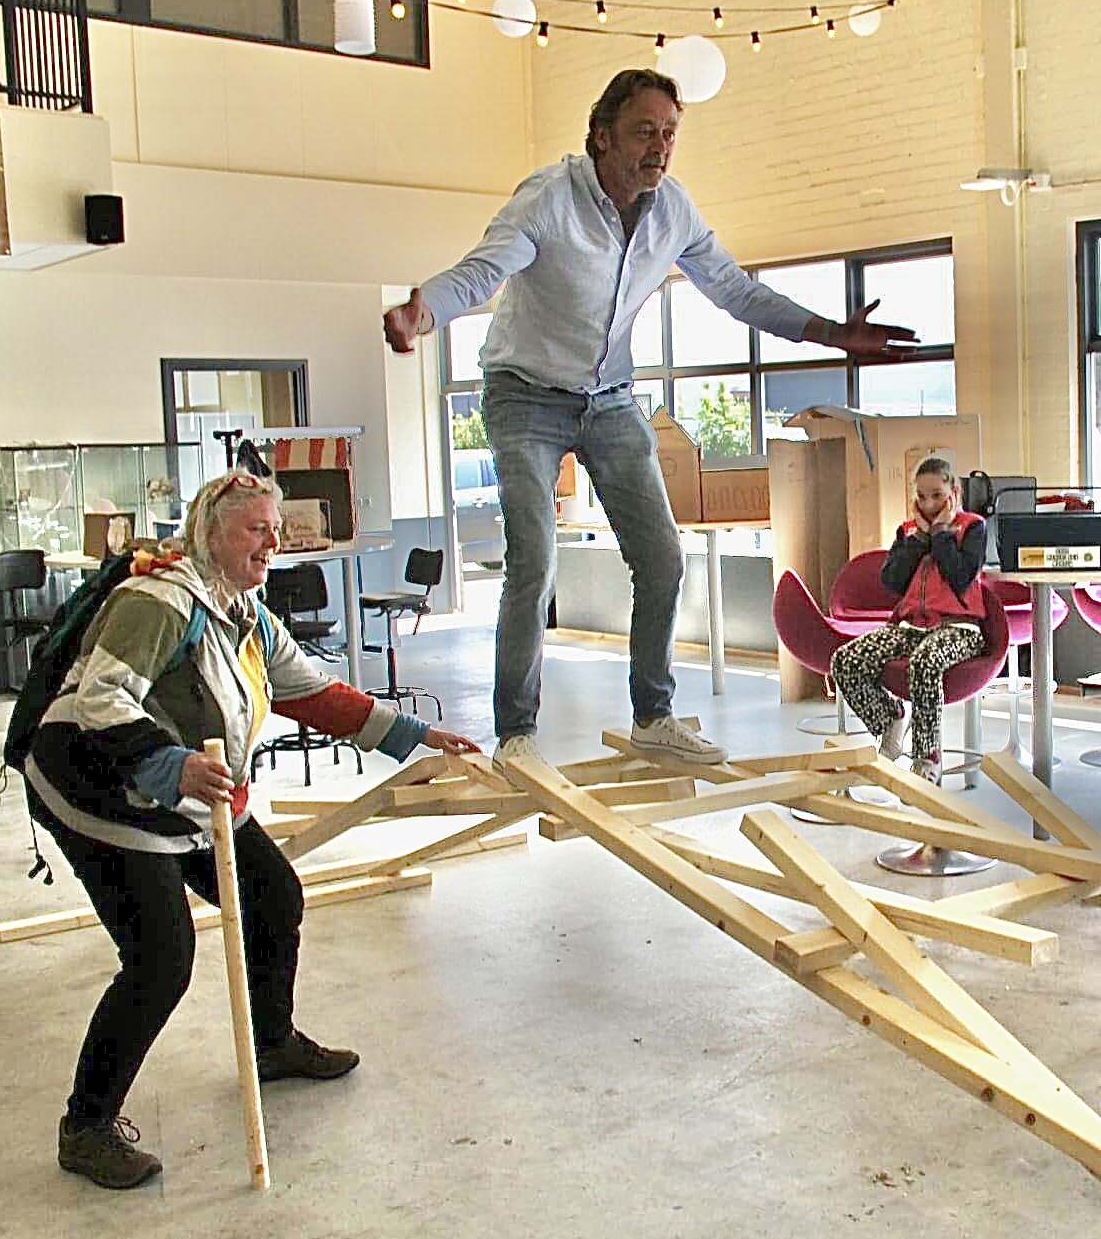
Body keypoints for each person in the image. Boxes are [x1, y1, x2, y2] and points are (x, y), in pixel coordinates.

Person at [383, 69, 918, 769]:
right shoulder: (549, 200)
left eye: (669, 134)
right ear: (603, 138)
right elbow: (482, 273)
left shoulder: (673, 213)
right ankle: (516, 735)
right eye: (644, 132)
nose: (660, 148)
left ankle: (654, 715)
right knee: (533, 562)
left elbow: (735, 290)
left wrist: (828, 333)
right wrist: (425, 314)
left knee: (664, 557)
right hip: (524, 395)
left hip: (608, 398)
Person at [24, 470, 481, 1190]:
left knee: (273, 898)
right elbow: (101, 700)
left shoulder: (245, 611)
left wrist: (419, 734)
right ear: (211, 533)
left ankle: (271, 1044)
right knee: (160, 958)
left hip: (190, 788)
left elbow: (314, 693)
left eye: (276, 529)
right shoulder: (159, 602)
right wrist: (170, 766)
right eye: (255, 529)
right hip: (98, 787)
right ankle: (85, 1127)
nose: (272, 541)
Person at [829, 458, 989, 783]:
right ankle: (889, 718)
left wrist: (942, 534)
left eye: (937, 495)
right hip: (911, 626)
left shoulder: (973, 527)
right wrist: (919, 539)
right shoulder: (907, 531)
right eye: (921, 496)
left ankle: (927, 755)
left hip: (959, 629)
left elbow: (961, 576)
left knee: (925, 662)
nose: (928, 504)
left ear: (954, 492)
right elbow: (892, 580)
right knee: (845, 661)